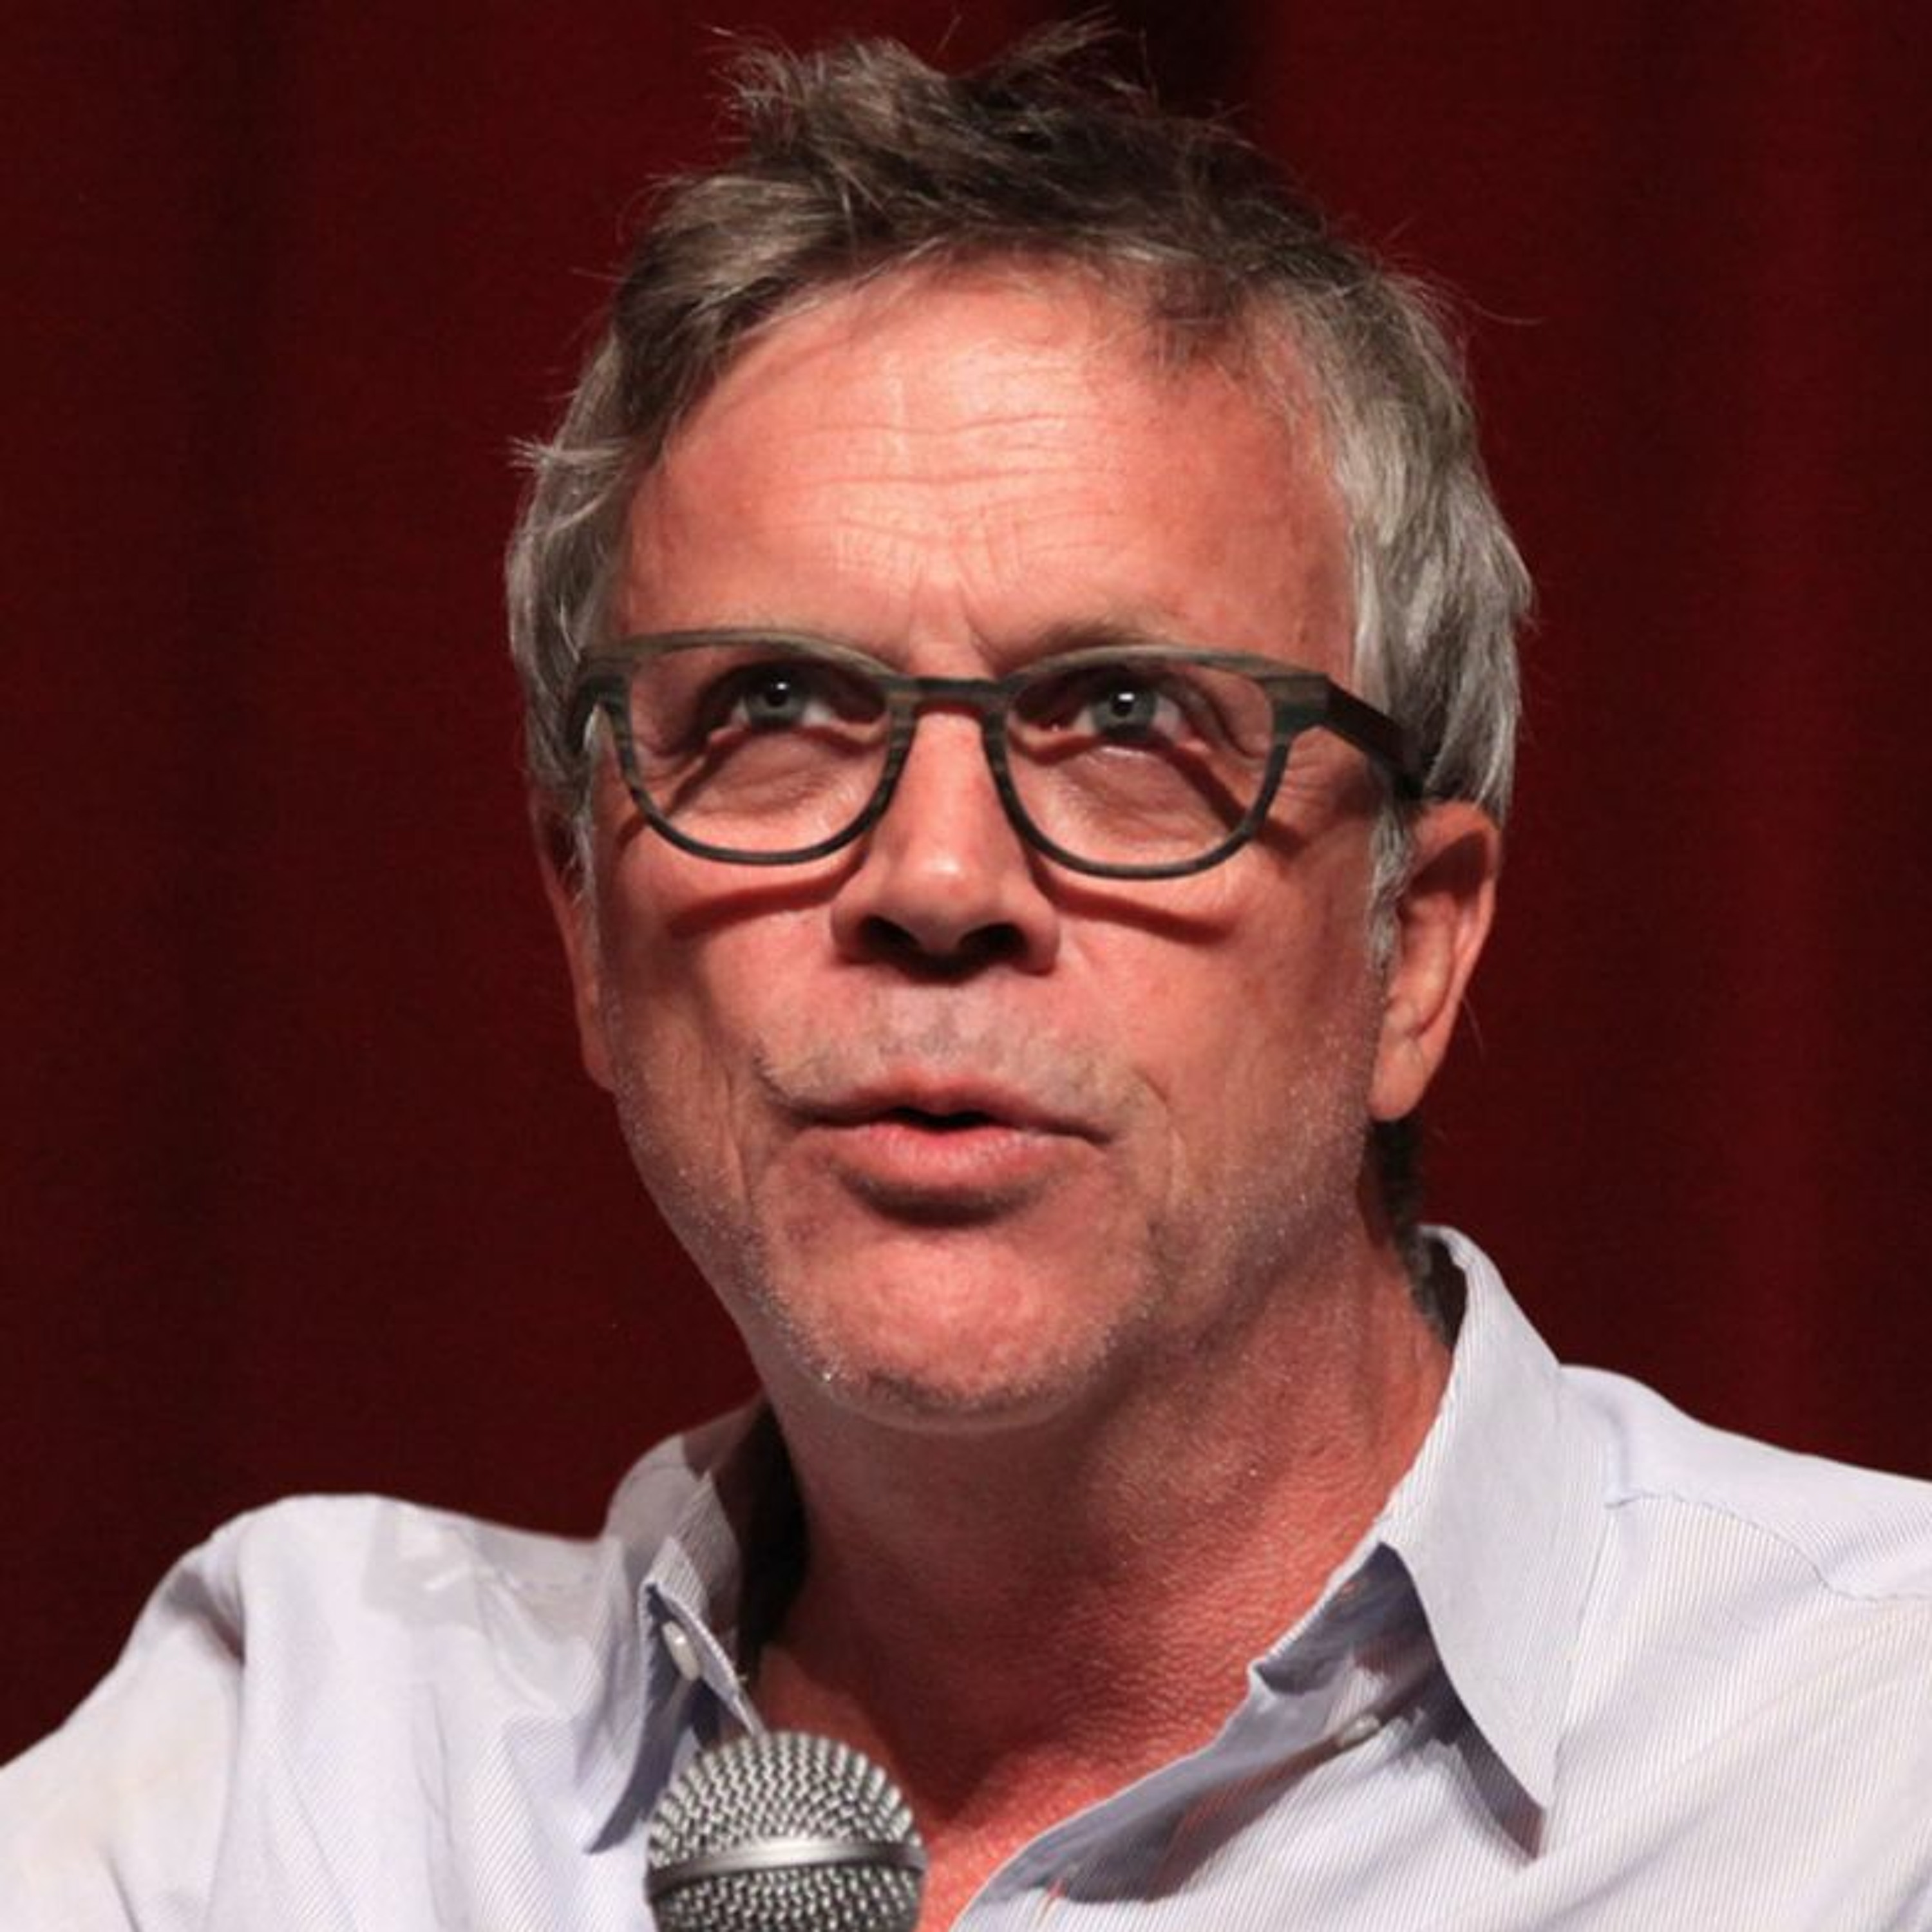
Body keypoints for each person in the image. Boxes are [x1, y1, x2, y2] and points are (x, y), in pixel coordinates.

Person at [5, 25, 1930, 1928]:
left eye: (1127, 716)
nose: (935, 882)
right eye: (775, 706)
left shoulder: (1872, 1768)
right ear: (586, 922)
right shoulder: (296, 1764)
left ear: (1411, 945)